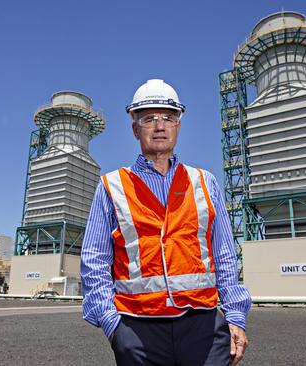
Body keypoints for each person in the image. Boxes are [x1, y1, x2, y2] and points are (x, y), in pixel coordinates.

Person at [81, 79, 251, 365]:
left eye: (168, 118)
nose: (160, 126)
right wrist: (114, 328)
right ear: (135, 129)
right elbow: (94, 260)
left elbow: (224, 255)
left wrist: (234, 316)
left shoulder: (205, 182)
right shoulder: (111, 186)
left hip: (203, 328)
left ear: (178, 127)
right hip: (137, 329)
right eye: (149, 118)